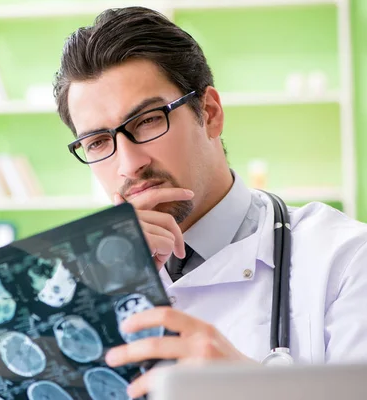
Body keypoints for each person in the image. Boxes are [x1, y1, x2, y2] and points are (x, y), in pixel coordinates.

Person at [52, 6, 367, 398]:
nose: (129, 164)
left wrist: (255, 391)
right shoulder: (75, 286)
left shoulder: (348, 260)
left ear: (210, 113)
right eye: (98, 142)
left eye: (148, 120)